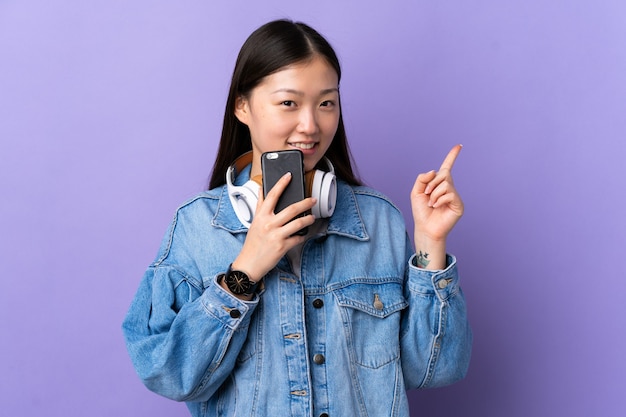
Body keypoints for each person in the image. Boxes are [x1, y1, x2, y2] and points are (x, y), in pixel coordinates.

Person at [122, 19, 472, 417]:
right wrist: (245, 272)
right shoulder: (198, 227)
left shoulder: (378, 221)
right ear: (243, 106)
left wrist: (431, 246)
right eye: (289, 103)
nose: (310, 125)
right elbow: (170, 375)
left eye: (326, 103)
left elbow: (432, 371)